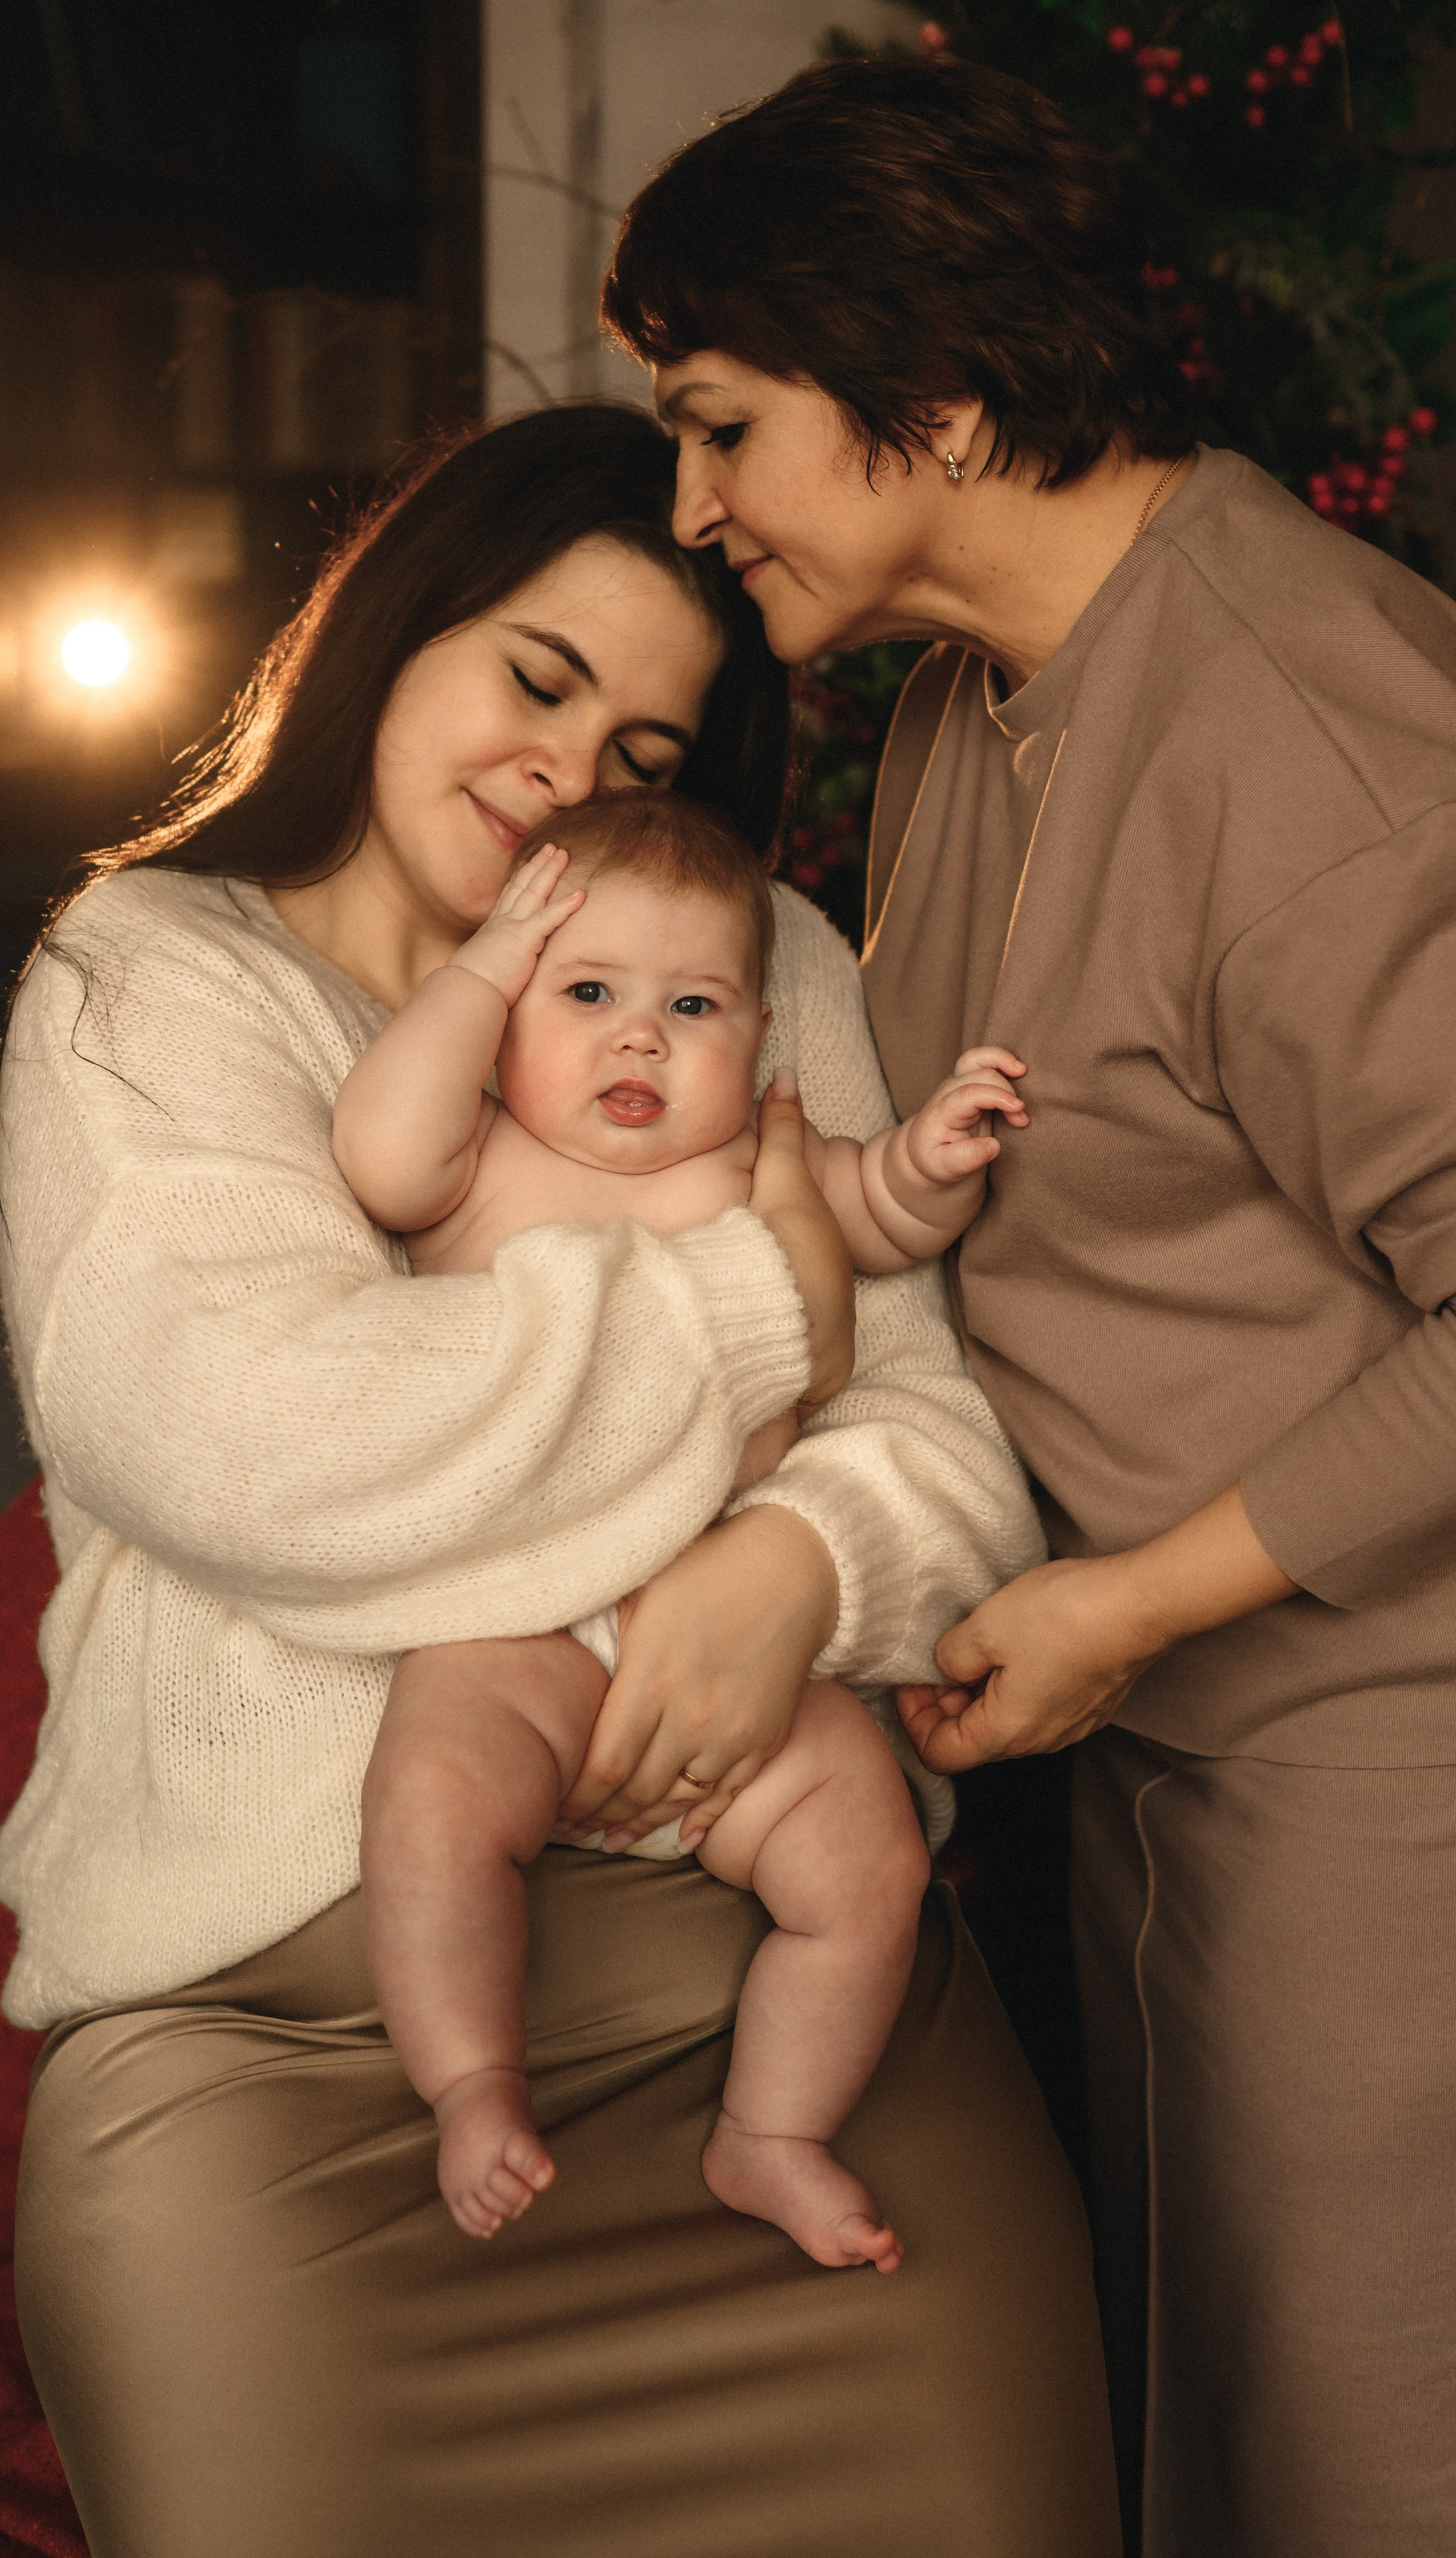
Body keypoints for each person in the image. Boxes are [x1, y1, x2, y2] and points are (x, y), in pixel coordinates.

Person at [0, 401, 1121, 2557]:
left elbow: (952, 1460)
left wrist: (801, 1563)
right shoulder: (150, 974)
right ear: (393, 627)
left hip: (779, 1999)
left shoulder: (755, 954)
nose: (567, 771)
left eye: (643, 747)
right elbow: (269, 1444)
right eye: (536, 676)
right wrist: (762, 1312)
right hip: (289, 2073)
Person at [605, 47, 1456, 2558]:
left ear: (942, 400)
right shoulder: (966, 705)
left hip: (1388, 1769)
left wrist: (1137, 1599)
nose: (690, 507)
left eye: (723, 425)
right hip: (1162, 1756)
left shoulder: (1309, 727)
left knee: (1362, 2465)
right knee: (1198, 2452)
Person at [336, 788, 1028, 2266]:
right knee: (432, 1807)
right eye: (586, 994)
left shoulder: (756, 1169)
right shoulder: (475, 1159)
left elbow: (884, 1215)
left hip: (726, 1631)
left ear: (759, 1037)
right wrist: (480, 974)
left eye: (691, 1005)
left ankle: (769, 2132)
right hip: (516, 1620)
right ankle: (472, 2083)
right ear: (503, 1017)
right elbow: (379, 1150)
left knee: (871, 1863)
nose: (640, 1039)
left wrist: (928, 1158)